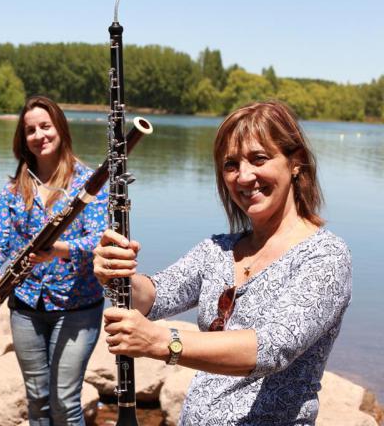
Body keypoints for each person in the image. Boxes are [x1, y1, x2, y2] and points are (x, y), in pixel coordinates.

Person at [95, 101, 352, 425]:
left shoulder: (325, 256)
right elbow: (154, 297)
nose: (244, 176)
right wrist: (117, 275)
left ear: (295, 162)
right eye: (231, 164)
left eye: (259, 159)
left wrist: (163, 342)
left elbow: (272, 348)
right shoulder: (218, 250)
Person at [0, 95, 108, 425]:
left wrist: (58, 248)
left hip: (77, 306)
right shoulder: (13, 188)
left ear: (60, 129)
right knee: (37, 401)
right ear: (23, 139)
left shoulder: (90, 183)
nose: (39, 135)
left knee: (64, 400)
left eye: (46, 127)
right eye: (31, 130)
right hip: (25, 305)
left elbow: (99, 241)